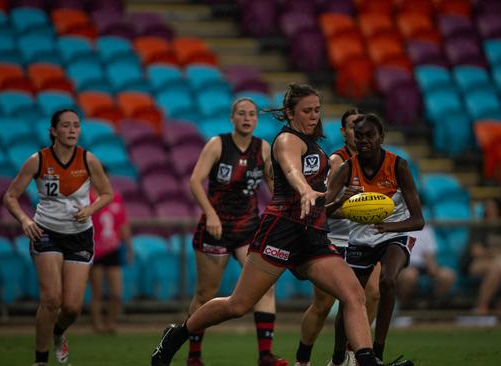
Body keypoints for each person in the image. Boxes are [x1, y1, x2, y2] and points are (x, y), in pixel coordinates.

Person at [151, 83, 380, 366]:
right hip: (281, 231)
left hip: (313, 235)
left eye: (317, 110)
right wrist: (303, 189)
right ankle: (177, 334)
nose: (313, 116)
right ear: (289, 112)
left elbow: (321, 194)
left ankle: (367, 362)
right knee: (238, 305)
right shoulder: (286, 141)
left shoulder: (317, 146)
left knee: (353, 295)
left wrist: (342, 199)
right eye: (306, 110)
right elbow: (291, 169)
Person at [3, 108, 113, 366]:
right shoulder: (37, 160)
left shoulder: (88, 160)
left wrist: (90, 208)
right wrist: (25, 220)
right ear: (53, 131)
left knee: (72, 307)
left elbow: (107, 193)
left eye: (76, 125)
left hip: (80, 235)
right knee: (51, 299)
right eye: (66, 125)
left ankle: (59, 333)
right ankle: (40, 361)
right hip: (46, 232)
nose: (73, 130)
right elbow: (9, 196)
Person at [186, 97, 286, 366]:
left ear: (256, 119)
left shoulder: (263, 148)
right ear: (232, 118)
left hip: (247, 229)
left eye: (252, 114)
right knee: (207, 293)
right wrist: (210, 214)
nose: (247, 118)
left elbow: (274, 186)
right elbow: (195, 181)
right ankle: (193, 356)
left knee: (265, 287)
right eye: (241, 113)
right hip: (215, 229)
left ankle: (265, 355)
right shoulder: (218, 144)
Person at [324, 113, 424, 366]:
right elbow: (321, 211)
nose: (364, 140)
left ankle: (377, 353)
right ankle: (338, 358)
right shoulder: (346, 169)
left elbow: (418, 220)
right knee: (350, 297)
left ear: (381, 136)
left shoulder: (398, 166)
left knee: (388, 280)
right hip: (359, 239)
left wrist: (389, 226)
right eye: (359, 136)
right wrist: (342, 200)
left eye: (370, 135)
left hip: (394, 234)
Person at [294, 109, 381, 366]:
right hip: (336, 237)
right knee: (322, 305)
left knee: (372, 293)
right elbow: (325, 206)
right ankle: (303, 359)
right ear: (344, 132)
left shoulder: (376, 161)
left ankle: (348, 356)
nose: (359, 130)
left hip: (364, 238)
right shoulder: (335, 161)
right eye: (354, 126)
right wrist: (358, 206)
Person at [460, 198, 501, 316]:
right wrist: (496, 253)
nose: (490, 210)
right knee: (495, 269)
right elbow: (476, 252)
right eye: (487, 208)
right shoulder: (480, 226)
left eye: (493, 208)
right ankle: (481, 307)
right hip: (475, 263)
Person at [89, 167, 134, 334]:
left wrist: (129, 247)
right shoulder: (87, 199)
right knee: (97, 292)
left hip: (113, 249)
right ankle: (97, 325)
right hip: (94, 250)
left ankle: (111, 323)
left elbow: (123, 224)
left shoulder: (116, 198)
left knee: (116, 293)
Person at [397, 224, 456, 309]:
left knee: (447, 276)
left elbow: (430, 253)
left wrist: (432, 268)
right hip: (405, 265)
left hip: (424, 264)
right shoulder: (398, 228)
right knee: (410, 276)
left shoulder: (426, 229)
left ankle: (433, 305)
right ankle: (404, 308)